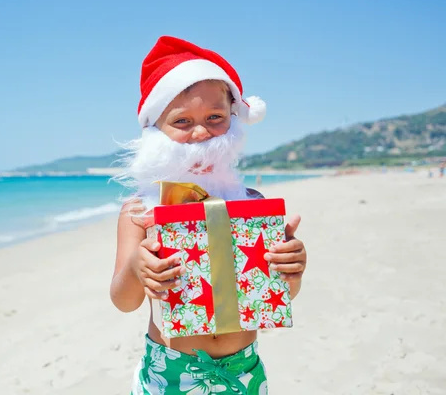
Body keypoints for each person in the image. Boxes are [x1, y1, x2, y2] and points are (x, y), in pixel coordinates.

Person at [110, 36, 308, 394]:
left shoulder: (251, 203)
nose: (201, 133)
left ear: (233, 119)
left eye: (214, 117)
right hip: (170, 373)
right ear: (156, 130)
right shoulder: (140, 211)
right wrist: (138, 269)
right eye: (182, 121)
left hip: (244, 370)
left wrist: (292, 268)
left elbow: (279, 294)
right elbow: (124, 301)